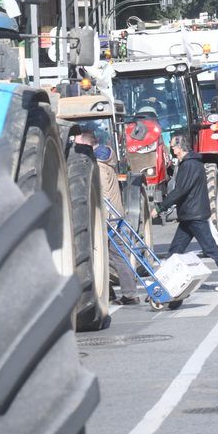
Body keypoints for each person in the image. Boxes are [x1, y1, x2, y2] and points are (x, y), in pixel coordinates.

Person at [158, 133, 218, 292]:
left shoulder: (189, 165)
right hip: (189, 215)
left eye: (173, 146)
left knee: (210, 248)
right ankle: (163, 280)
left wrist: (161, 207)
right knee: (175, 250)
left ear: (179, 148)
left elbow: (180, 190)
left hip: (193, 215)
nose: (171, 149)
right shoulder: (190, 163)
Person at [75, 130, 140, 306]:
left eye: (78, 143)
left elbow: (102, 192)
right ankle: (116, 292)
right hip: (113, 215)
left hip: (108, 217)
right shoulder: (105, 157)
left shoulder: (99, 165)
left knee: (115, 255)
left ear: (87, 145)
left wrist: (104, 216)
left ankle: (130, 294)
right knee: (109, 254)